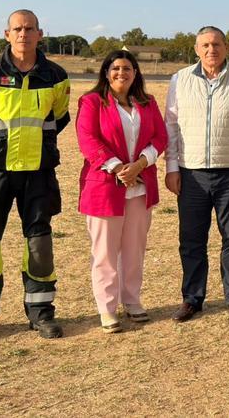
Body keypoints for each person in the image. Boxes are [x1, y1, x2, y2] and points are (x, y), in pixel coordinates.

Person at [0, 9, 70, 344]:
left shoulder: (56, 75)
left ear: (40, 33)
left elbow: (59, 118)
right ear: (7, 34)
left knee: (39, 241)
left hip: (38, 171)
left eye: (30, 28)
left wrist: (39, 145)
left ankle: (41, 312)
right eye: (18, 29)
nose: (24, 34)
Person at [164, 26, 229, 322]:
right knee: (192, 239)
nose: (212, 50)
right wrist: (172, 167)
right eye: (206, 45)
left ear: (227, 47)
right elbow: (171, 126)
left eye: (217, 44)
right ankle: (192, 298)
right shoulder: (179, 80)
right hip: (191, 173)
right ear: (196, 49)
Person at [75, 50, 168, 333]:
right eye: (115, 68)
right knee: (104, 252)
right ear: (106, 72)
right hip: (104, 188)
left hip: (139, 188)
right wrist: (118, 168)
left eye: (127, 68)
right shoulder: (92, 102)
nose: (121, 73)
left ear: (135, 73)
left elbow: (160, 136)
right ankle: (107, 308)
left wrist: (139, 165)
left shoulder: (147, 102)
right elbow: (87, 139)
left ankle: (132, 300)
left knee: (134, 250)